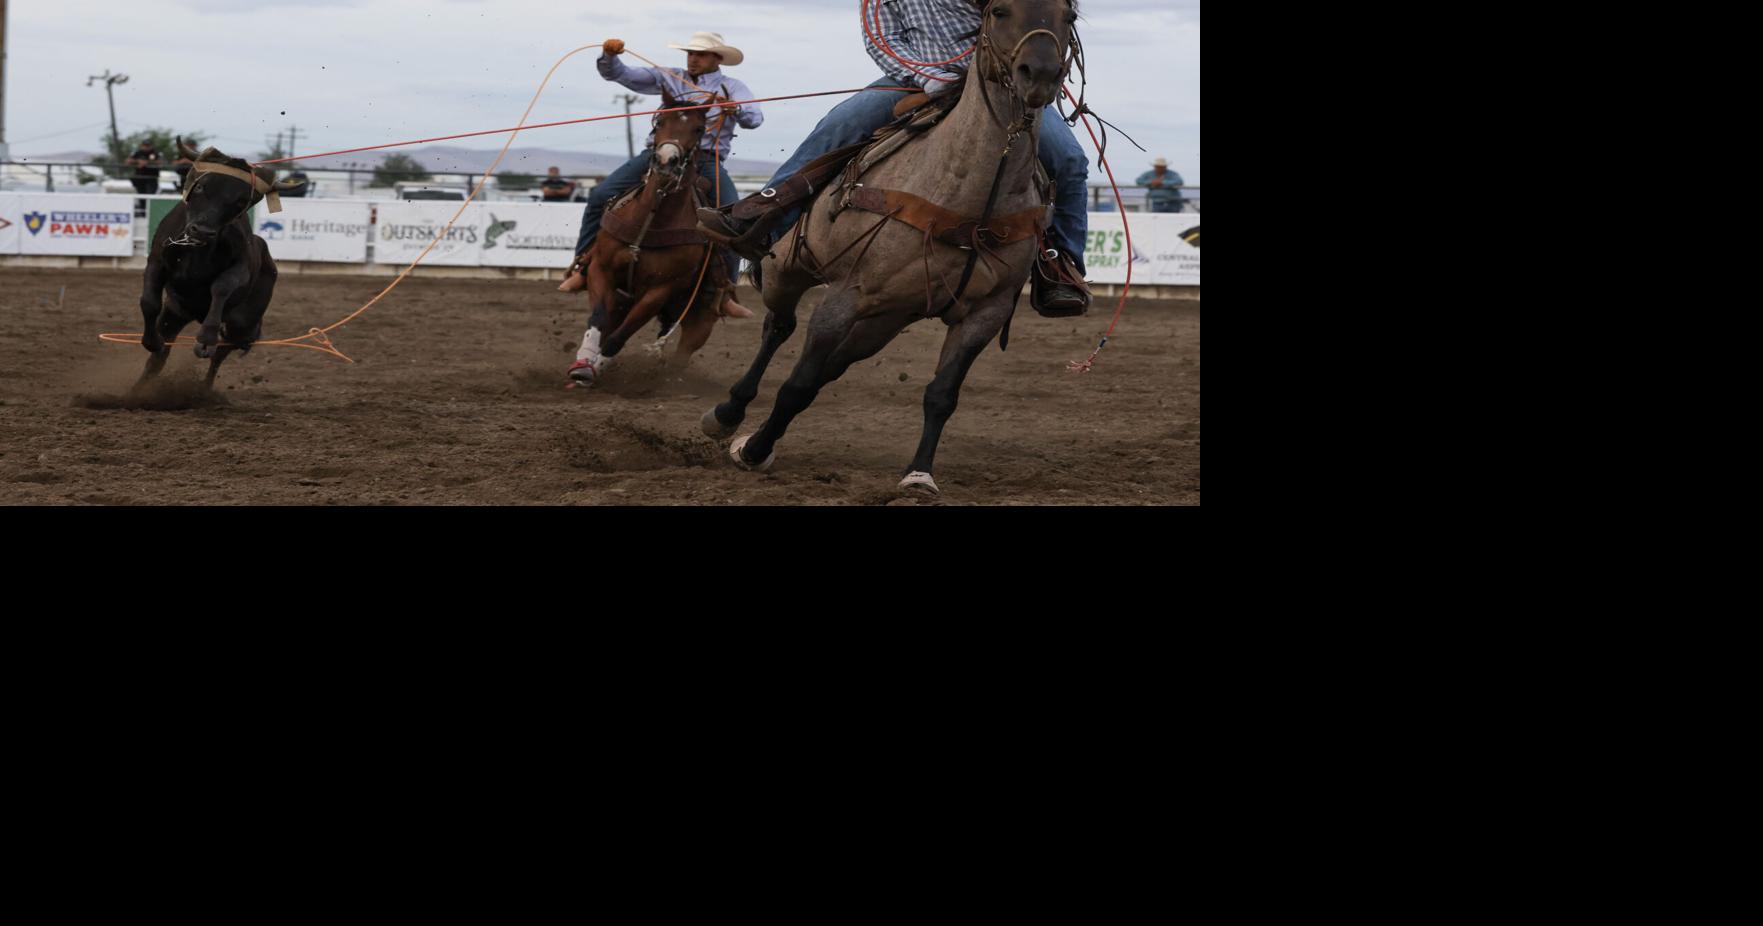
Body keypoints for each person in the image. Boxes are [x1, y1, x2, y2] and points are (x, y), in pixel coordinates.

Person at [696, 0, 1093, 315]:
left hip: (994, 81)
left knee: (1071, 161)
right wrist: (924, 75)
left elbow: (1025, 17)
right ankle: (766, 216)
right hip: (911, 80)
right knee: (837, 127)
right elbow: (880, 39)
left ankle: (1060, 265)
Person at [557, 31, 760, 321]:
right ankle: (583, 268)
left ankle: (724, 292)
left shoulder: (732, 87)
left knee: (733, 221)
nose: (692, 59)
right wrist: (610, 56)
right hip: (658, 156)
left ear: (717, 59)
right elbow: (622, 75)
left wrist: (736, 109)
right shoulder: (669, 76)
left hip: (705, 161)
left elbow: (755, 118)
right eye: (690, 53)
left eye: (699, 54)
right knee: (600, 196)